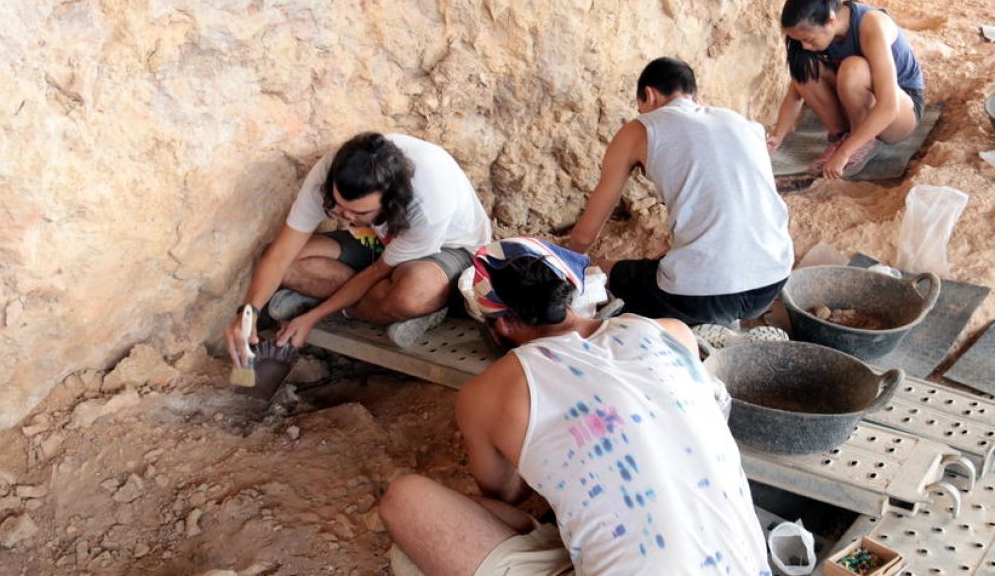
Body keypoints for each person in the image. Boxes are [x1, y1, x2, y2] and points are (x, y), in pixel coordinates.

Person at [379, 238, 771, 576]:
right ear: (571, 295)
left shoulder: (487, 393)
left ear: (501, 326)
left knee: (407, 503)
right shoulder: (671, 333)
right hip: (749, 566)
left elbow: (505, 493)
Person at [221, 132, 492, 364]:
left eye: (358, 211)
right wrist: (248, 312)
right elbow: (281, 253)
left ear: (391, 201)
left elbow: (377, 271)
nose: (346, 217)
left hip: (449, 249)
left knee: (411, 292)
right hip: (379, 239)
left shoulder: (428, 204)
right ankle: (385, 309)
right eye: (339, 207)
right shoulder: (331, 173)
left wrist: (314, 316)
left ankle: (426, 307)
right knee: (288, 264)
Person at [566, 57, 793, 326]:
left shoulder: (640, 129)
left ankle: (702, 326)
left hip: (705, 298)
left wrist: (566, 264)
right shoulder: (743, 123)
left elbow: (584, 235)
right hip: (773, 280)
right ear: (694, 96)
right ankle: (721, 322)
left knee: (603, 268)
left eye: (642, 108)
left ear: (649, 96)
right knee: (666, 261)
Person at [768, 0, 926, 179]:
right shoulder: (817, 36)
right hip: (866, 104)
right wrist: (777, 137)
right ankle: (841, 136)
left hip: (901, 112)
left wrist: (844, 154)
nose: (805, 46)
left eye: (809, 39)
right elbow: (796, 91)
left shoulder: (871, 25)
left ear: (831, 21)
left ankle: (860, 144)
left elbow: (888, 105)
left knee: (853, 68)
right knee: (807, 71)